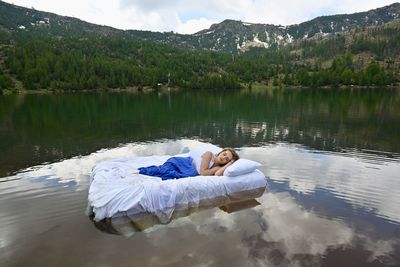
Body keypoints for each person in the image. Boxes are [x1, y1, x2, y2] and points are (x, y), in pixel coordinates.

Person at [133, 147, 239, 180]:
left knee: (172, 175)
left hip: (188, 172)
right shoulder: (209, 154)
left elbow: (216, 174)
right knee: (165, 170)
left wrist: (227, 165)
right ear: (221, 152)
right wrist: (225, 164)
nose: (223, 157)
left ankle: (146, 173)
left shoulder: (218, 168)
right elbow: (202, 172)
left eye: (227, 159)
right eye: (224, 154)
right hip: (182, 163)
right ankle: (141, 171)